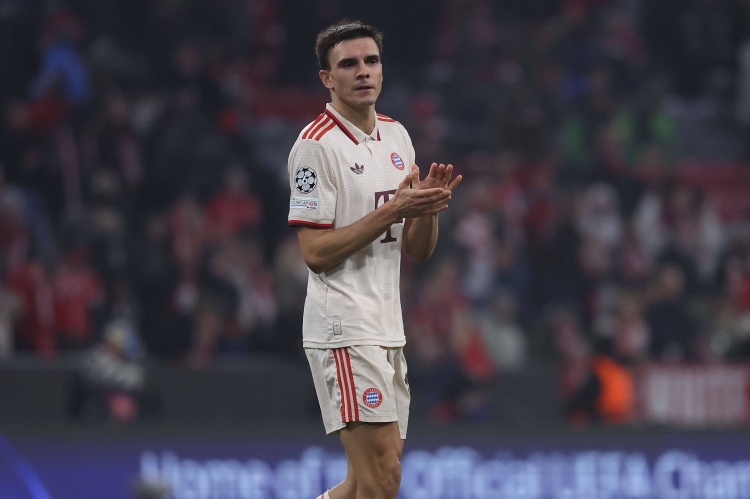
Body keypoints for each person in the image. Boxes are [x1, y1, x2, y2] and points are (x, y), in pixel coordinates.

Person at [287, 20, 462, 499]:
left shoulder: (397, 137)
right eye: (349, 64)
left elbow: (417, 250)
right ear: (327, 78)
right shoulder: (315, 146)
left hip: (387, 327)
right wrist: (394, 209)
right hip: (344, 326)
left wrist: (426, 208)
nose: (363, 71)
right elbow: (314, 253)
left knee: (372, 484)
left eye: (371, 61)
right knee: (382, 479)